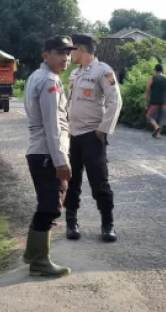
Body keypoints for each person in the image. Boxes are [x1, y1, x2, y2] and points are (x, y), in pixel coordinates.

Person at [22, 35, 76, 278]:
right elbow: (53, 125)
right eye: (59, 52)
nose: (65, 58)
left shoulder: (38, 76)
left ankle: (33, 254)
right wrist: (61, 162)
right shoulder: (48, 81)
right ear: (46, 54)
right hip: (47, 152)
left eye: (68, 53)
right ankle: (40, 261)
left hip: (41, 150)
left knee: (48, 204)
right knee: (50, 206)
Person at [64, 33, 122, 243]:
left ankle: (108, 225)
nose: (69, 55)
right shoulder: (75, 74)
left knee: (99, 182)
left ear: (81, 49)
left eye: (71, 50)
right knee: (71, 181)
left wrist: (103, 129)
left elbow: (115, 101)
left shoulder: (103, 71)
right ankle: (71, 223)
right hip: (73, 135)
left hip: (92, 136)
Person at [144, 63, 166, 139]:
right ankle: (158, 134)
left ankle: (156, 127)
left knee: (149, 116)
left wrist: (145, 101)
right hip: (164, 102)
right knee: (162, 119)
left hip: (154, 102)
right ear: (163, 70)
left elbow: (147, 91)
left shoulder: (151, 78)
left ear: (155, 70)